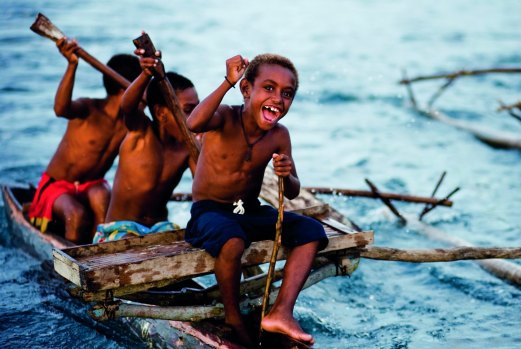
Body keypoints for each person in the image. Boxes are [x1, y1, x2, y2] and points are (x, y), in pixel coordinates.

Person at [184, 53, 328, 347]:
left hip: (249, 211)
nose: (278, 98)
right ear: (247, 89)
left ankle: (281, 312)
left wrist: (287, 174)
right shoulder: (224, 116)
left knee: (312, 232)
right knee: (233, 240)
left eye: (287, 94)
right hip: (209, 212)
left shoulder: (279, 135)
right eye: (269, 88)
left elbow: (293, 191)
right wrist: (227, 81)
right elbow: (193, 123)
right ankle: (233, 315)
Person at [28, 37, 141, 244]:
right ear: (124, 90)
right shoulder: (89, 108)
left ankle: (100, 253)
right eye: (140, 89)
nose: (144, 96)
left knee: (103, 199)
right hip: (57, 187)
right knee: (76, 215)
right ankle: (68, 268)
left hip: (93, 185)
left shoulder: (131, 123)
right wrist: (72, 65)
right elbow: (60, 109)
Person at [92, 48, 199, 243]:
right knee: (127, 245)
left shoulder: (188, 149)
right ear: (160, 113)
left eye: (198, 109)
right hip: (119, 229)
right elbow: (128, 106)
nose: (196, 118)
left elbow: (202, 187)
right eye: (189, 110)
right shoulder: (140, 131)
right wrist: (145, 74)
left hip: (159, 228)